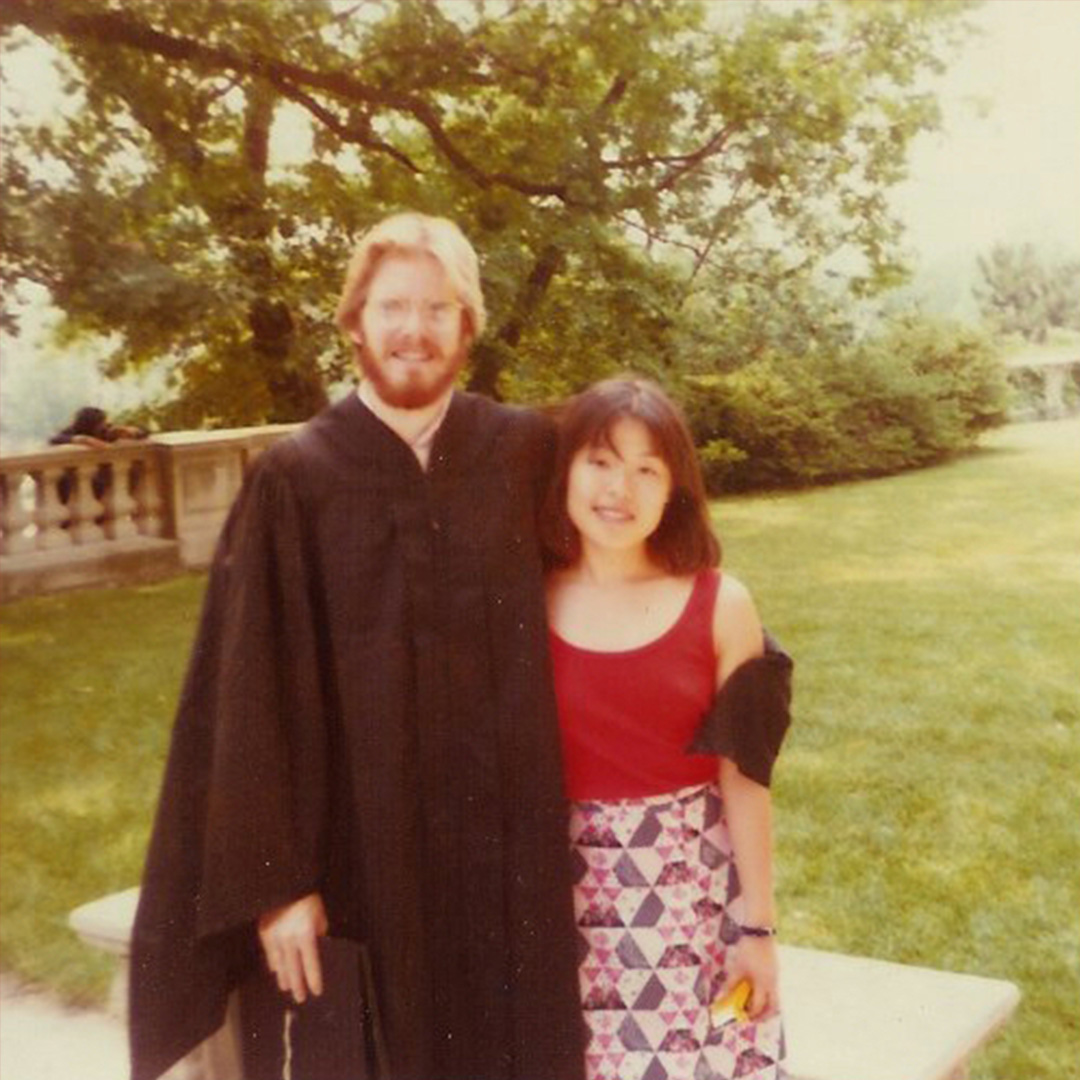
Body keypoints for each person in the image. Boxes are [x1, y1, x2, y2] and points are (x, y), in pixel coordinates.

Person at [129, 213, 586, 1080]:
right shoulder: (297, 478)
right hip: (357, 867)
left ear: (467, 325)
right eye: (393, 306)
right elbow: (244, 692)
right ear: (353, 322)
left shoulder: (521, 451)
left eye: (438, 308)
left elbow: (617, 568)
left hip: (509, 865)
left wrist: (719, 641)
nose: (414, 330)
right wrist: (274, 883)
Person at [542, 377, 792, 1080]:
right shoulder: (523, 602)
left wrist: (759, 930)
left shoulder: (721, 603)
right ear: (564, 470)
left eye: (646, 468)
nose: (619, 487)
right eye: (600, 461)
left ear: (673, 488)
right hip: (565, 904)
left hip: (694, 901)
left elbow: (745, 780)